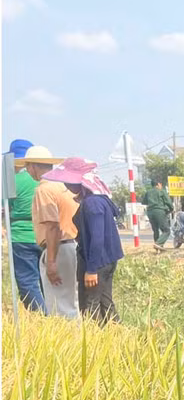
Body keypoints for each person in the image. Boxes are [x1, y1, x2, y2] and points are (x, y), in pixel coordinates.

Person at [43, 158, 124, 324]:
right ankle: (118, 337)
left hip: (97, 262)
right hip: (105, 260)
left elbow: (97, 238)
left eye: (68, 181)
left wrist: (92, 269)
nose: (66, 185)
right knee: (104, 301)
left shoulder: (92, 204)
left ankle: (95, 342)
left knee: (90, 304)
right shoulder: (99, 200)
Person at [27, 146, 80, 318]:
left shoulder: (44, 190)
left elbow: (52, 226)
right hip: (72, 245)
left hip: (58, 249)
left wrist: (50, 261)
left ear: (33, 167)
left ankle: (67, 342)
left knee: (59, 306)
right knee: (72, 301)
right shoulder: (63, 187)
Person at [8, 139, 47, 313]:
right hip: (45, 235)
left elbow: (7, 209)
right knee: (45, 280)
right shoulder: (46, 180)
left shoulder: (13, 182)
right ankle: (54, 317)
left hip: (21, 238)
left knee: (27, 281)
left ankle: (42, 318)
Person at [142, 180, 174, 251]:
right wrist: (171, 209)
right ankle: (158, 244)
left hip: (150, 212)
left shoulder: (148, 192)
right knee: (166, 230)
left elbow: (144, 202)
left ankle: (159, 249)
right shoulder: (161, 191)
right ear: (158, 184)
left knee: (155, 230)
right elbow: (168, 202)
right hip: (159, 211)